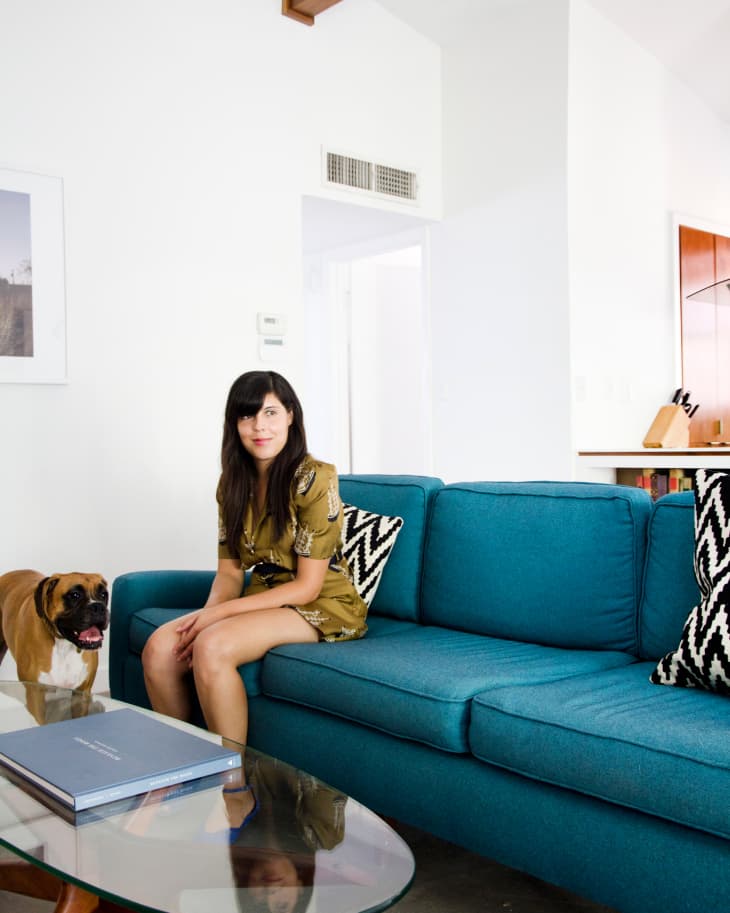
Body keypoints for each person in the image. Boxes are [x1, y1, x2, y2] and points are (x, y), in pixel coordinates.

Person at [142, 370, 368, 749]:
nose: (259, 427)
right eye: (247, 416)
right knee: (161, 648)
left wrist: (217, 619)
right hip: (265, 597)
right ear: (235, 423)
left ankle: (232, 783)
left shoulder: (314, 478)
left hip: (321, 604)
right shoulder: (232, 483)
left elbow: (307, 585)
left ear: (291, 416)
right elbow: (230, 574)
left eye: (270, 414)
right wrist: (205, 615)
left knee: (212, 646)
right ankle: (180, 769)